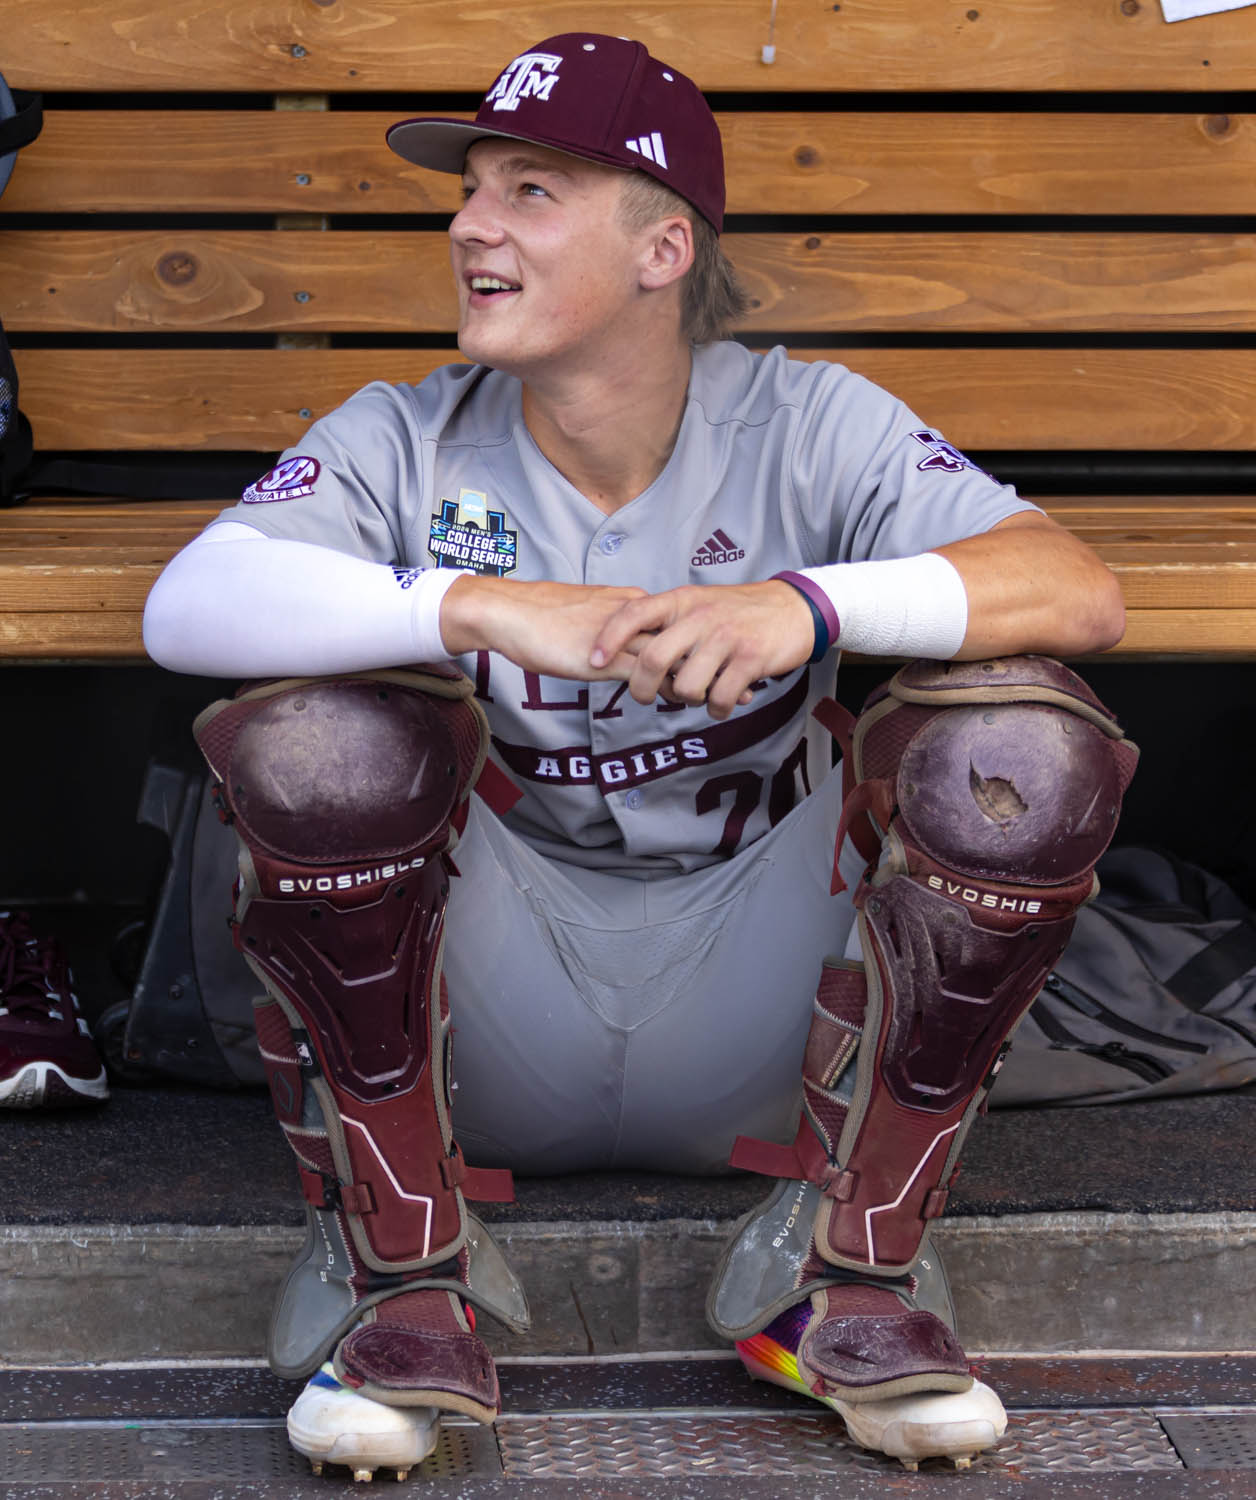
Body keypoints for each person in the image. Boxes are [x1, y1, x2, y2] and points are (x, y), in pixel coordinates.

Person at [142, 33, 1135, 1481]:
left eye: (530, 192)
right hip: (489, 1010)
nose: (471, 223)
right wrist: (469, 603)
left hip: (763, 998)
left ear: (665, 246)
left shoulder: (803, 418)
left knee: (1022, 745)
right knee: (318, 735)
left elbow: (1075, 586)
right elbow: (191, 605)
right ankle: (401, 1282)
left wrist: (805, 605)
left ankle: (851, 1276)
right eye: (473, 190)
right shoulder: (409, 434)